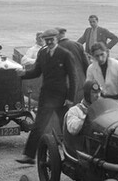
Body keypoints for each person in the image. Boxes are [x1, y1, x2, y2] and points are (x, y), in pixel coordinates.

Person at [16, 28, 77, 164]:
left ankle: (74, 156)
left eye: (52, 40)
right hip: (46, 96)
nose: (49, 42)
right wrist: (23, 75)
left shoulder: (65, 54)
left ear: (57, 39)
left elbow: (73, 78)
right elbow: (37, 72)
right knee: (38, 125)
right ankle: (29, 156)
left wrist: (70, 99)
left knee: (66, 127)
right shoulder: (42, 53)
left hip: (61, 98)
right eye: (47, 40)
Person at [57, 27, 90, 102]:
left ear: (58, 35)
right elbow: (86, 65)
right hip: (81, 83)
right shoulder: (78, 45)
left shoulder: (56, 48)